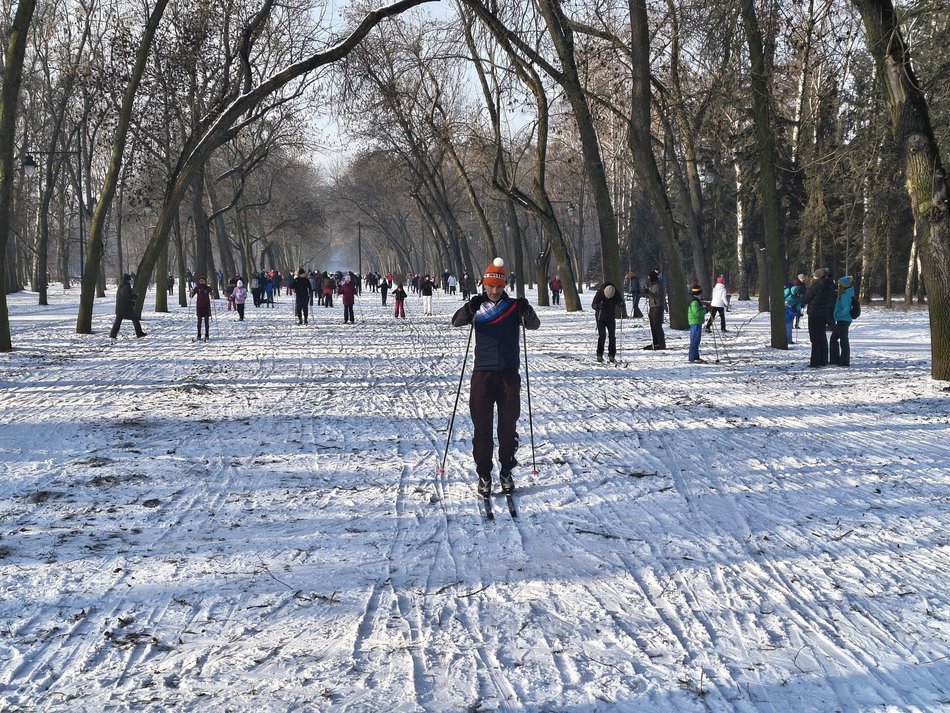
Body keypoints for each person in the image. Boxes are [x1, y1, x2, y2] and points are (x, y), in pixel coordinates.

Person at [452, 258, 540, 498]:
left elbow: (534, 325)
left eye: (498, 287)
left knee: (507, 428)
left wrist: (527, 309)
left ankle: (506, 471)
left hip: (509, 376)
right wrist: (469, 308)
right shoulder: (478, 307)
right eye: (490, 286)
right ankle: (484, 474)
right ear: (484, 285)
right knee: (482, 428)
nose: (494, 291)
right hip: (482, 376)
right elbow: (456, 321)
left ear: (504, 287)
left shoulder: (513, 307)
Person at [802, 267, 835, 367]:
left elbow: (806, 298)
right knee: (822, 336)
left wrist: (803, 300)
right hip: (825, 314)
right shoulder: (830, 286)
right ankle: (823, 360)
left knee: (815, 339)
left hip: (814, 314)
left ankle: (815, 361)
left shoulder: (816, 286)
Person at [591, 282, 622, 363]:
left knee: (612, 336)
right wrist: (598, 306)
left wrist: (621, 305)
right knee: (602, 336)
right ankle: (599, 354)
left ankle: (612, 355)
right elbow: (593, 305)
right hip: (600, 317)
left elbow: (620, 301)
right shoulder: (599, 293)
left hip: (611, 317)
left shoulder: (615, 292)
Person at [109, 274, 147, 339]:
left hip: (120, 308)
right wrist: (135, 296)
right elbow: (128, 296)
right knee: (135, 319)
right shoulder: (126, 286)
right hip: (126, 308)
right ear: (128, 280)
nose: (130, 281)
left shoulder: (121, 286)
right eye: (129, 280)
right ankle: (139, 333)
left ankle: (112, 335)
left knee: (117, 322)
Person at [830, 276, 855, 367]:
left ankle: (843, 361)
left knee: (842, 340)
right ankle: (837, 360)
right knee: (837, 339)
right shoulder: (846, 294)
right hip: (843, 320)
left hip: (843, 320)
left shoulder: (845, 296)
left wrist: (837, 315)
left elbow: (846, 309)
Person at [643, 269, 666, 350]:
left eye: (650, 278)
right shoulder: (652, 285)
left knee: (657, 325)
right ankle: (655, 342)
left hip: (658, 307)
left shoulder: (659, 285)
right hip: (652, 307)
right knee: (653, 325)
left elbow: (657, 296)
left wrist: (648, 292)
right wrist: (646, 292)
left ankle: (661, 343)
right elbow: (651, 295)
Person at [687, 283, 706, 363]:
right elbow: (697, 313)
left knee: (696, 340)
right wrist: (706, 311)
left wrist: (705, 308)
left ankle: (696, 356)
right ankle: (692, 358)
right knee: (695, 340)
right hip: (695, 322)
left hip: (697, 322)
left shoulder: (697, 301)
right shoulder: (694, 302)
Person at [191, 276, 213, 341]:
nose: (201, 282)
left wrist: (212, 293)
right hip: (199, 306)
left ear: (205, 281)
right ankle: (199, 335)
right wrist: (191, 293)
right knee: (199, 322)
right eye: (200, 281)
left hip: (206, 306)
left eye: (202, 281)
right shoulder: (197, 288)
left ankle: (207, 335)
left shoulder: (207, 288)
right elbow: (191, 296)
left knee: (206, 322)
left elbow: (212, 294)